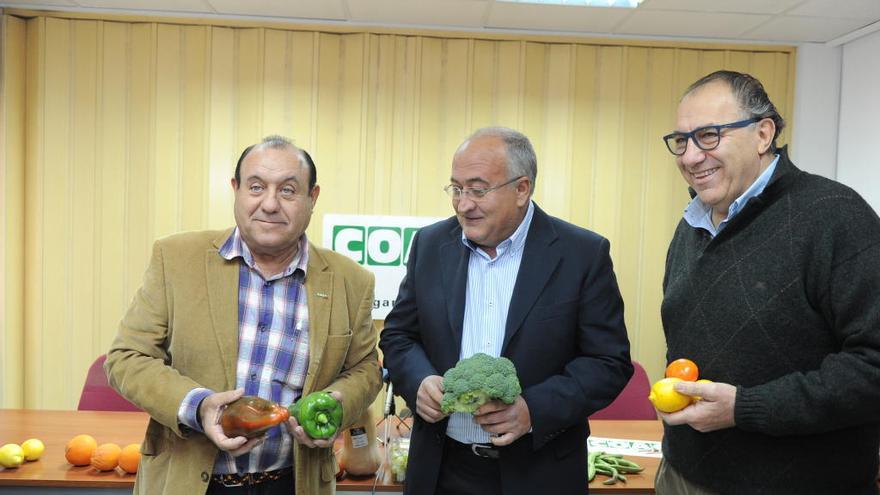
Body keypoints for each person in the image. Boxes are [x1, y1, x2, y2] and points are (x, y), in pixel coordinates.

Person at [105, 135, 382, 495]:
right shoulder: (175, 259)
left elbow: (366, 369)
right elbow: (126, 358)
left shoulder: (351, 281)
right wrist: (199, 406)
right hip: (188, 482)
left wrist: (335, 405)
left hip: (294, 483)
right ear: (235, 189)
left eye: (287, 191)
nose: (269, 204)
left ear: (312, 198)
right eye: (256, 187)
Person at [656, 70, 880, 495]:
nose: (689, 156)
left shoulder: (836, 217)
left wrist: (746, 408)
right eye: (681, 141)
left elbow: (873, 366)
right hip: (683, 474)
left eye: (708, 135)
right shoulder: (692, 225)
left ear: (763, 134)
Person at [379, 126, 633, 495]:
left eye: (478, 189)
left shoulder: (582, 254)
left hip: (539, 472)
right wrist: (418, 381)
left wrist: (534, 409)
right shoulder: (430, 245)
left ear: (522, 189)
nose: (463, 203)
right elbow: (399, 335)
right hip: (439, 470)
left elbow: (608, 362)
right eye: (456, 188)